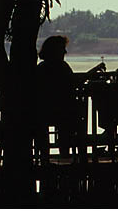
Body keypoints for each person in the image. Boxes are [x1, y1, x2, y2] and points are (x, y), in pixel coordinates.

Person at [33, 35, 86, 163]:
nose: (65, 52)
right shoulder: (62, 67)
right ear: (55, 50)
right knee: (75, 119)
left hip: (42, 112)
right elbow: (73, 83)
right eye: (62, 49)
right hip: (62, 112)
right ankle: (68, 154)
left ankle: (44, 157)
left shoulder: (41, 68)